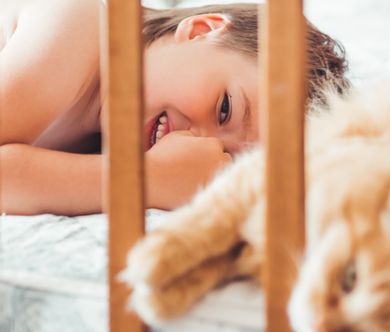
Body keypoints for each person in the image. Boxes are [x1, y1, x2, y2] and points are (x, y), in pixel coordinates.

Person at [0, 0, 348, 215]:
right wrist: (150, 179)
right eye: (224, 109)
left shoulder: (96, 141)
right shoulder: (76, 22)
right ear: (201, 30)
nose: (195, 144)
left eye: (224, 156)